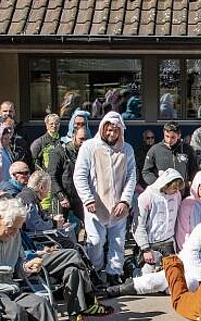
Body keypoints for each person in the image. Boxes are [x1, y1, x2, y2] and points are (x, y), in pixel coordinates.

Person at [17, 172, 106, 321]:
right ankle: (91, 293)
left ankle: (75, 320)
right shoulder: (27, 200)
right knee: (74, 253)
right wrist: (52, 224)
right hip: (32, 259)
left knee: (73, 269)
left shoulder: (28, 202)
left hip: (38, 251)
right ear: (42, 187)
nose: (48, 193)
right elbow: (33, 225)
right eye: (48, 189)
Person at [106, 202, 201, 298]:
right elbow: (192, 251)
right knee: (156, 280)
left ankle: (165, 289)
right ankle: (119, 289)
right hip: (186, 265)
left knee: (187, 286)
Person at [73, 111, 137, 284]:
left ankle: (114, 273)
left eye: (115, 131)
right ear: (102, 128)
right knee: (96, 242)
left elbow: (131, 177)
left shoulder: (127, 149)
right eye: (108, 130)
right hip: (96, 206)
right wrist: (88, 198)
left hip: (118, 206)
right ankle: (95, 272)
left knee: (118, 241)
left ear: (120, 131)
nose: (111, 134)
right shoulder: (89, 147)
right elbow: (79, 175)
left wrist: (125, 200)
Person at [133, 169, 185, 268]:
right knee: (148, 277)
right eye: (174, 188)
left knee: (170, 274)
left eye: (178, 189)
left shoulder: (176, 195)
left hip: (168, 243)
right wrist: (145, 249)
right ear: (166, 184)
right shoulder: (147, 197)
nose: (176, 191)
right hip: (151, 244)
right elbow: (139, 225)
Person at [142, 122, 198, 196]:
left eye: (173, 137)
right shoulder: (155, 149)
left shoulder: (187, 149)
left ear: (179, 136)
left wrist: (191, 182)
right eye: (167, 136)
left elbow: (194, 169)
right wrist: (158, 184)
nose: (169, 140)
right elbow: (146, 172)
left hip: (183, 194)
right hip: (162, 194)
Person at [48, 124, 87, 222]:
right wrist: (61, 196)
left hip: (79, 197)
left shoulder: (87, 153)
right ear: (73, 137)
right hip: (61, 197)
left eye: (86, 139)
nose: (84, 142)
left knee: (88, 224)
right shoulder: (58, 152)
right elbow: (52, 177)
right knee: (59, 227)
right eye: (81, 139)